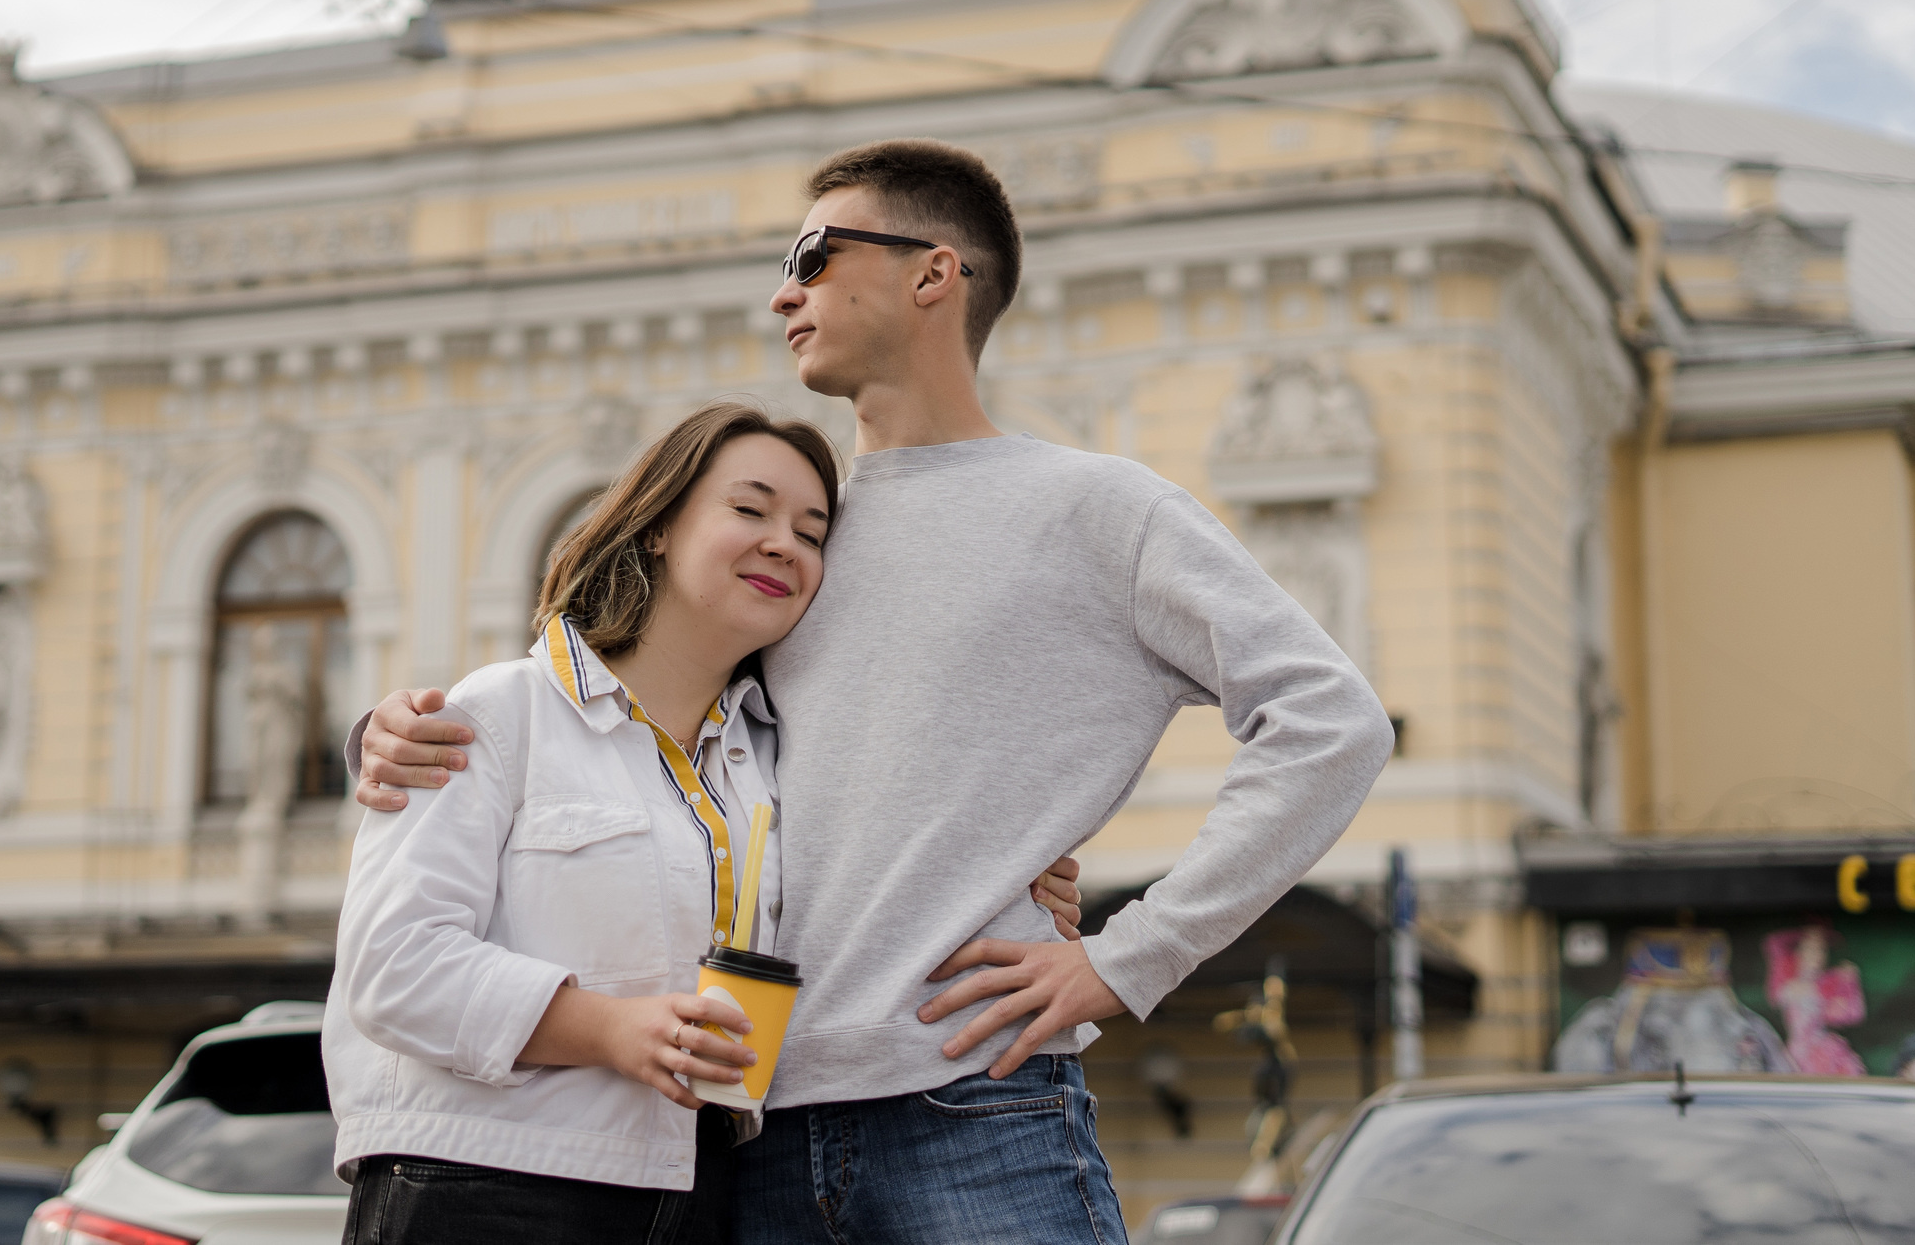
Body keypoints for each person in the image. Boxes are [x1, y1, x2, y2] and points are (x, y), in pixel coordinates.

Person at [356, 140, 1396, 1244]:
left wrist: (1128, 956)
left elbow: (1331, 724)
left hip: (971, 1106)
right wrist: (387, 733)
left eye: (814, 253)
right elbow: (634, 735)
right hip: (741, 1137)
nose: (783, 292)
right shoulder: (794, 546)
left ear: (932, 273)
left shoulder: (1098, 510)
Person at [326, 399, 1084, 1245]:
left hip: (700, 1196)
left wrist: (1019, 864)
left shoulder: (770, 765)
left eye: (811, 532)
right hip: (484, 1186)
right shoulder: (500, 711)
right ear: (658, 524)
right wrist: (614, 1028)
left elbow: (890, 857)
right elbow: (392, 965)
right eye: (750, 509)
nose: (783, 545)